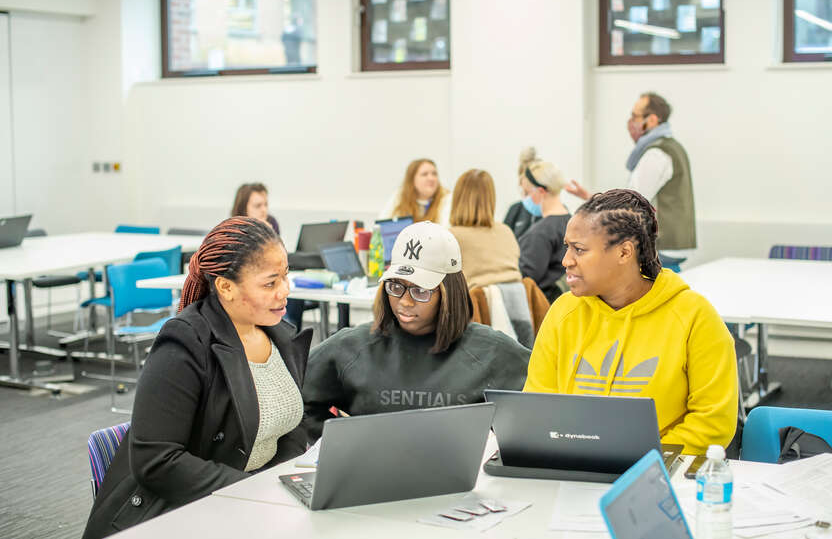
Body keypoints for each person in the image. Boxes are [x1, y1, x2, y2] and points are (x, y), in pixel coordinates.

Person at [82, 217, 311, 539]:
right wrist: (256, 494)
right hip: (173, 512)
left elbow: (291, 424)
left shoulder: (279, 336)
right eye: (270, 283)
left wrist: (282, 486)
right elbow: (157, 461)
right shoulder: (184, 343)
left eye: (286, 276)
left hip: (246, 505)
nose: (285, 290)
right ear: (226, 287)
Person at [523, 189, 736, 456]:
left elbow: (714, 422)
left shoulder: (695, 317)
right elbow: (538, 405)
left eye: (579, 249)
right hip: (573, 467)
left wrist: (642, 459)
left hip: (662, 476)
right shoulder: (563, 312)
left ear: (624, 253)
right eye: (567, 247)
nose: (566, 260)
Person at [301, 221, 530, 441]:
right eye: (396, 286)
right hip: (373, 476)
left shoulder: (492, 352)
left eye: (421, 290)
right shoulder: (351, 348)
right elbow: (296, 401)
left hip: (460, 479)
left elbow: (542, 408)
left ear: (449, 292)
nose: (405, 301)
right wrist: (342, 442)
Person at [566, 92, 696, 269]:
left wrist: (592, 202)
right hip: (673, 243)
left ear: (651, 120)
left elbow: (631, 202)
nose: (630, 122)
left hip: (663, 245)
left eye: (635, 116)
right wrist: (589, 197)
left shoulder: (657, 153)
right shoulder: (671, 147)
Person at [448, 169, 521, 289]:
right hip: (516, 303)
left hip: (476, 304)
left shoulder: (452, 237)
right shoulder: (506, 231)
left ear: (457, 198)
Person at [517, 159, 571, 303]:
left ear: (541, 191)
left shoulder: (540, 233)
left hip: (546, 306)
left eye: (527, 192)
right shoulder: (573, 222)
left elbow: (526, 280)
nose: (524, 198)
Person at [378, 158, 451, 225]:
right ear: (412, 179)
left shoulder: (447, 198)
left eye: (434, 174)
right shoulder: (400, 196)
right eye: (424, 174)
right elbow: (382, 225)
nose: (431, 178)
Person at [503, 147, 542, 239]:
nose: (528, 197)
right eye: (525, 193)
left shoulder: (556, 215)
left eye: (528, 192)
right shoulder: (515, 210)